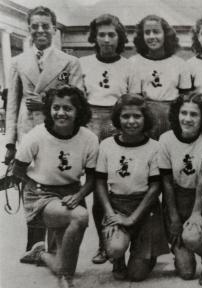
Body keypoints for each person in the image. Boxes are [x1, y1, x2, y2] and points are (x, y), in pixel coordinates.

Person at [4, 5, 84, 264]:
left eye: (44, 26)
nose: (40, 30)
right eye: (34, 26)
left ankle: (54, 244)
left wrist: (46, 105)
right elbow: (13, 105)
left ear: (54, 29)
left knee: (56, 183)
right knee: (31, 186)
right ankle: (34, 245)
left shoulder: (69, 62)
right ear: (29, 29)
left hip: (59, 133)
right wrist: (10, 144)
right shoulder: (18, 62)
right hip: (29, 133)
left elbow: (79, 98)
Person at [12, 85, 97, 287]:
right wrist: (34, 186)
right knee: (80, 216)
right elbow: (17, 169)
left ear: (79, 112)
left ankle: (40, 253)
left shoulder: (89, 138)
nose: (60, 113)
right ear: (49, 109)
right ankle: (65, 279)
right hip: (42, 194)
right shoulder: (37, 135)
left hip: (72, 192)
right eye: (56, 107)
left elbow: (93, 179)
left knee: (61, 263)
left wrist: (79, 195)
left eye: (68, 108)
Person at [95, 94, 169, 281]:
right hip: (117, 204)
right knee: (116, 247)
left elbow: (155, 188)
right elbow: (100, 183)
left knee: (137, 275)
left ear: (146, 119)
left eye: (137, 116)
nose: (131, 121)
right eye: (125, 116)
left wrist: (133, 218)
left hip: (145, 207)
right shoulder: (106, 145)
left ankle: (145, 254)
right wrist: (110, 213)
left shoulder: (155, 147)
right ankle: (117, 260)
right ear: (117, 119)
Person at [79, 13, 130, 265]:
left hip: (119, 124)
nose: (107, 39)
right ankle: (102, 245)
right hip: (91, 124)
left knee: (119, 185)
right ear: (94, 37)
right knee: (98, 189)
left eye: (112, 34)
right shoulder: (82, 63)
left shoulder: (128, 65)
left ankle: (124, 244)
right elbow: (74, 96)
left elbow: (133, 102)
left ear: (119, 37)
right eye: (102, 34)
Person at [158, 92, 202, 286]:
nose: (187, 119)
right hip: (177, 200)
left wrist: (196, 213)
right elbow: (167, 183)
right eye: (183, 113)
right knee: (186, 273)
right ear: (177, 114)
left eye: (194, 114)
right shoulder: (166, 139)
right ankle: (183, 251)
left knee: (192, 237)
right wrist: (174, 218)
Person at [129, 14, 191, 140]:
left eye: (156, 32)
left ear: (165, 35)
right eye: (147, 32)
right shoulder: (134, 62)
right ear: (142, 36)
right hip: (145, 120)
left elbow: (185, 99)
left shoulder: (179, 64)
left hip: (172, 119)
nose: (152, 36)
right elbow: (134, 100)